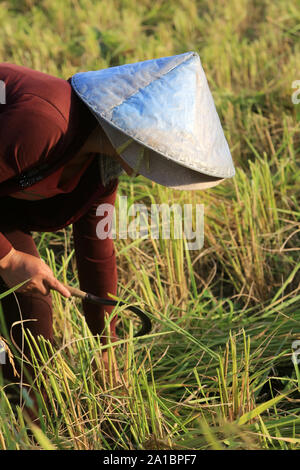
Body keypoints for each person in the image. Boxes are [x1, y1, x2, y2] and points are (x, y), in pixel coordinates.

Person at [0, 52, 235, 415]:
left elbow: (96, 251)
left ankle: (29, 425)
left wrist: (104, 344)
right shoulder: (46, 123)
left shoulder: (101, 174)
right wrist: (9, 258)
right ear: (130, 129)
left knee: (32, 315)